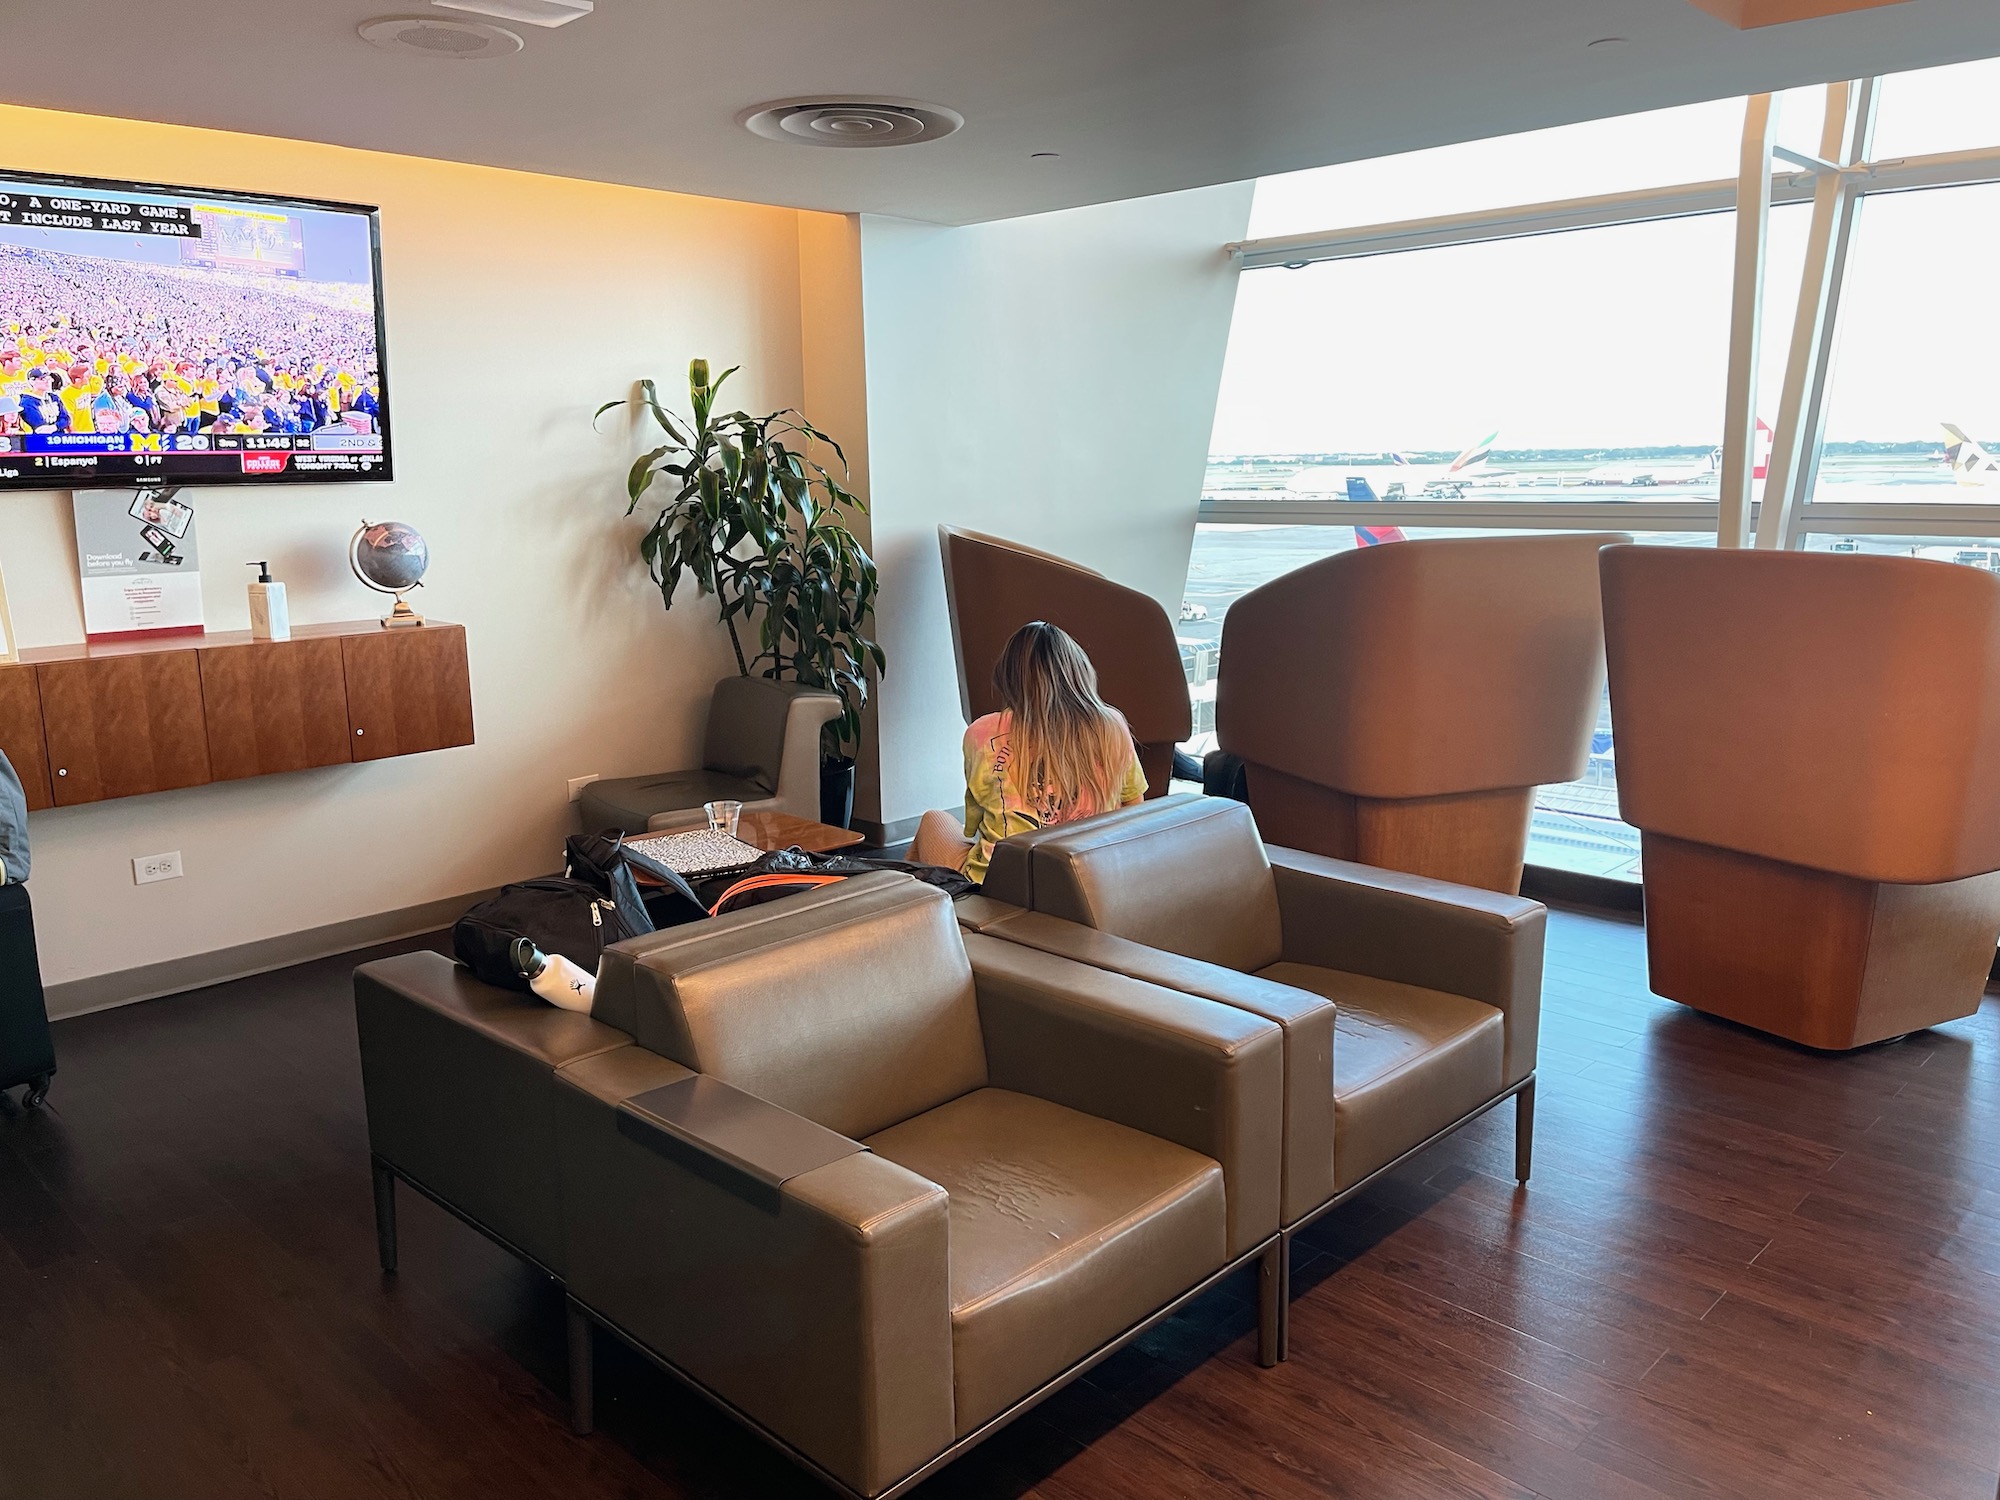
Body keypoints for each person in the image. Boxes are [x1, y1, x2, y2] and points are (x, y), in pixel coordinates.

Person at [922, 620, 1148, 884]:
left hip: (999, 886)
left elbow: (975, 823)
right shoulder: (1112, 726)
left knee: (932, 821)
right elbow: (1133, 809)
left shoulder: (983, 733)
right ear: (1080, 672)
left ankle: (914, 914)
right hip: (1089, 883)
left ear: (1009, 678)